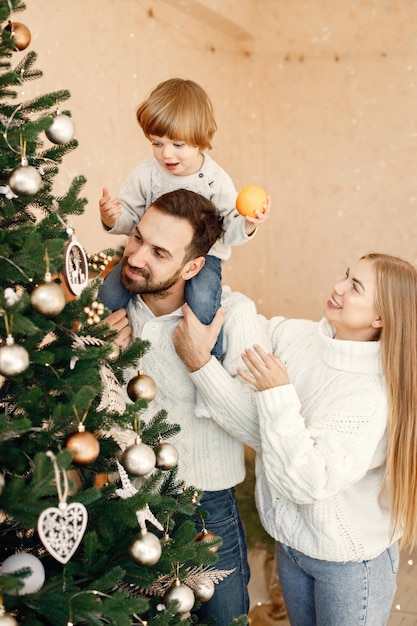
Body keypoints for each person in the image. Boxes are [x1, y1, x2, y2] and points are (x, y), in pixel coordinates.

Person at [173, 253, 417, 626]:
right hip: (291, 547)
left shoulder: (369, 396)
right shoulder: (296, 336)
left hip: (348, 565)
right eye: (345, 275)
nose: (338, 287)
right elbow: (242, 320)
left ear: (380, 317)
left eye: (356, 287)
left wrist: (277, 392)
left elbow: (308, 481)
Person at [106, 188, 271, 626]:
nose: (137, 256)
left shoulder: (233, 315)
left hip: (206, 507)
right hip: (126, 501)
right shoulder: (114, 310)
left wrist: (201, 363)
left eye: (159, 252)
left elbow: (257, 427)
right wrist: (103, 358)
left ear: (194, 266)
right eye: (137, 238)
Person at [98, 78, 270, 417]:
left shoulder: (215, 181)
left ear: (201, 140)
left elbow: (228, 229)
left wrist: (247, 224)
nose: (167, 154)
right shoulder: (147, 173)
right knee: (108, 290)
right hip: (146, 252)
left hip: (206, 259)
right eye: (157, 143)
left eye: (178, 145)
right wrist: (111, 218)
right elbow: (131, 219)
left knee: (204, 305)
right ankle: (102, 358)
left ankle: (209, 373)